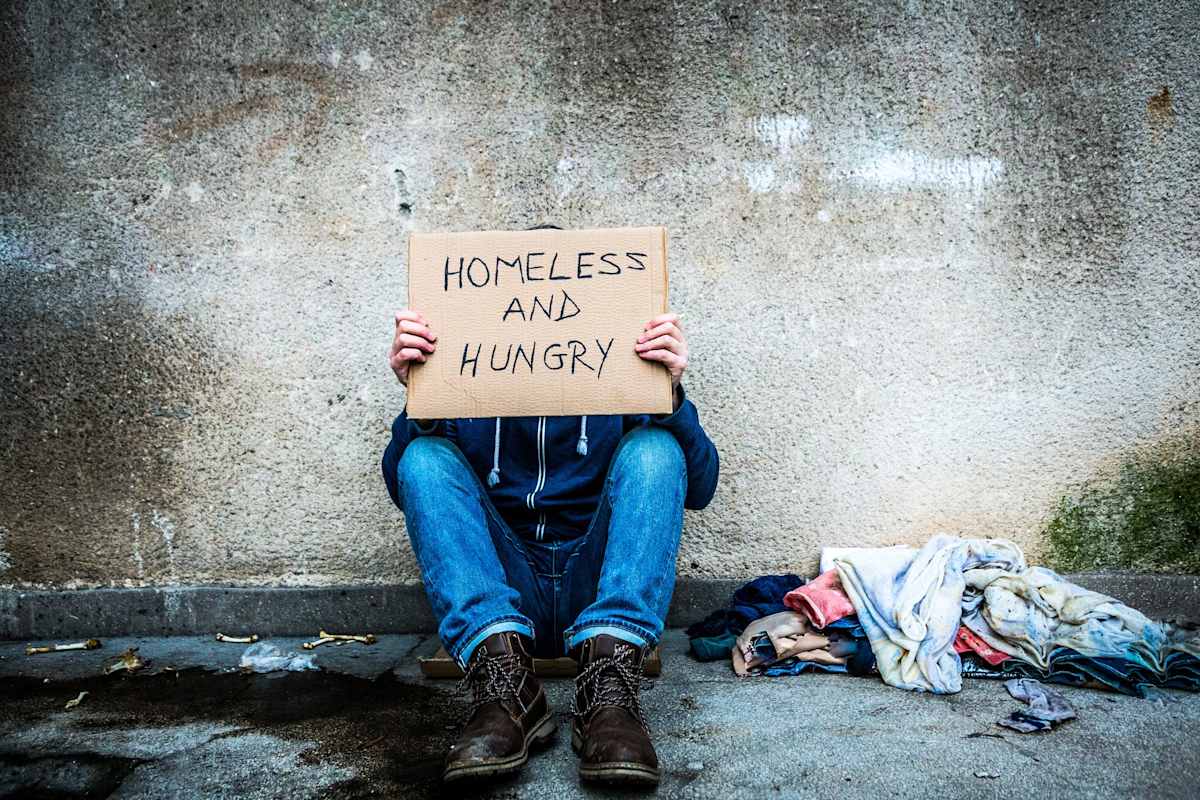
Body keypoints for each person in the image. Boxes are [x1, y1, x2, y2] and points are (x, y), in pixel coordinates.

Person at [381, 261, 719, 786]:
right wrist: (421, 396)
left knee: (656, 447)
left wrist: (671, 393)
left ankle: (609, 692)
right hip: (506, 587)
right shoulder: (466, 372)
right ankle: (506, 689)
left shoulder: (624, 374)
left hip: (597, 583)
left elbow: (700, 488)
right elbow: (406, 489)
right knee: (423, 456)